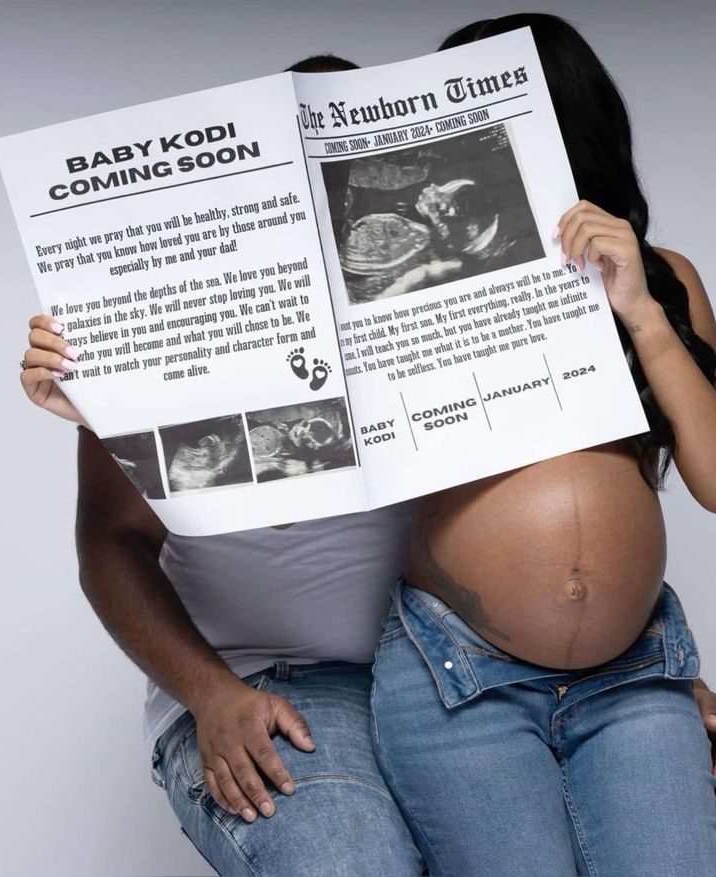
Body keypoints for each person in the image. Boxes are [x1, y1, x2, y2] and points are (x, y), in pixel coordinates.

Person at [18, 41, 716, 877]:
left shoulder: (444, 286)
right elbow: (140, 535)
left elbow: (583, 493)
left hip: (447, 662)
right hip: (286, 680)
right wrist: (126, 407)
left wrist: (634, 661)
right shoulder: (209, 305)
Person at [19, 55, 423, 877]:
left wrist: (628, 676)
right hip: (261, 682)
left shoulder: (429, 296)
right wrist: (209, 693)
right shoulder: (173, 312)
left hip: (445, 681)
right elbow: (110, 542)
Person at [368, 14, 716, 877]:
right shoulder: (412, 289)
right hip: (459, 678)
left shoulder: (664, 276)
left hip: (636, 673)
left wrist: (639, 309)